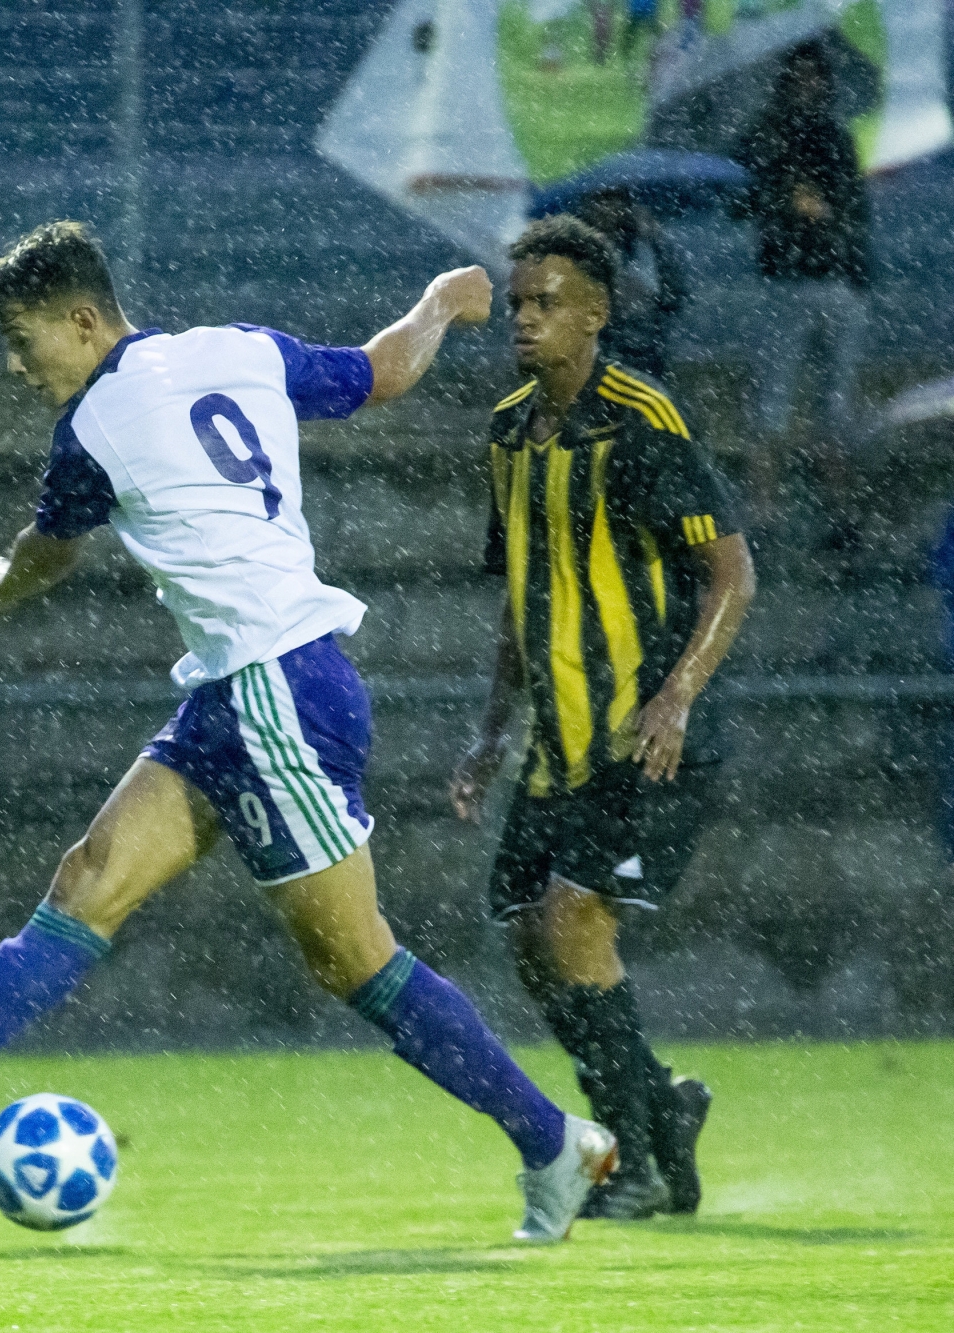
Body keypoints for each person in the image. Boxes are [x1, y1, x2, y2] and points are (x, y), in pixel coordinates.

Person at [0, 221, 618, 1245]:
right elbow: (380, 374)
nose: (18, 369)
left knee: (357, 963)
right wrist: (438, 304)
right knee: (86, 882)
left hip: (270, 690)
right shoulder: (234, 348)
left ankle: (554, 1140)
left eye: (25, 344)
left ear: (81, 320)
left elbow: (49, 552)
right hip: (241, 693)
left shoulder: (93, 427)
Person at [449, 216, 755, 1219]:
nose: (523, 319)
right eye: (517, 303)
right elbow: (520, 593)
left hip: (642, 737)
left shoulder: (640, 419)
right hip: (553, 747)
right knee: (532, 943)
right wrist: (489, 730)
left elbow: (731, 571)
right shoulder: (507, 430)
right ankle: (658, 1110)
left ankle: (630, 1165)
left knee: (569, 920)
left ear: (595, 312)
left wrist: (675, 694)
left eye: (546, 304)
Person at [732, 42, 873, 531]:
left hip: (833, 282)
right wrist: (779, 194)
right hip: (789, 283)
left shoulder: (834, 137)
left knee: (833, 406)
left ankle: (841, 517)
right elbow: (736, 199)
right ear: (786, 83)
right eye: (799, 78)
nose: (807, 87)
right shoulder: (762, 137)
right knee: (772, 403)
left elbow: (852, 210)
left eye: (815, 78)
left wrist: (821, 213)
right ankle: (765, 517)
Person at [572, 187, 688, 379]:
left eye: (615, 198)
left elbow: (674, 297)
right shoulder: (574, 249)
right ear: (586, 205)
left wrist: (655, 240)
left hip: (645, 353)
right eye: (600, 200)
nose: (607, 208)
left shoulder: (643, 244)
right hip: (595, 353)